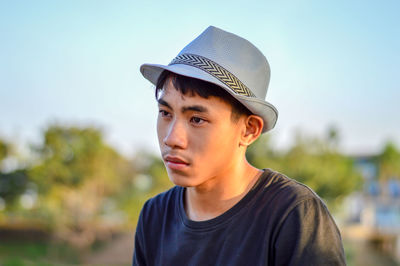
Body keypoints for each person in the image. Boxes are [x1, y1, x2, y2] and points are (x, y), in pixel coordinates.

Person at [133, 26, 346, 265]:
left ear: (248, 130)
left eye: (197, 119)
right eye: (165, 113)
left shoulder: (293, 215)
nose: (171, 138)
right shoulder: (155, 216)